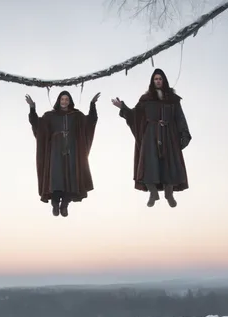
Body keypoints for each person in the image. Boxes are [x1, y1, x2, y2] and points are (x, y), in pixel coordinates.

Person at [111, 68, 191, 207]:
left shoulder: (172, 99)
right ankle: (153, 193)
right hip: (151, 136)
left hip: (169, 135)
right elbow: (135, 115)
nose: (158, 81)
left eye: (160, 79)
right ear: (152, 81)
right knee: (148, 164)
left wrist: (184, 134)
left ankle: (169, 194)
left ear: (164, 81)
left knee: (169, 165)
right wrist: (123, 107)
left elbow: (180, 117)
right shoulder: (146, 99)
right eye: (155, 79)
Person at [26, 90, 99, 217]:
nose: (64, 102)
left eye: (66, 99)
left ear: (69, 101)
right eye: (62, 99)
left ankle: (65, 205)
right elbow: (37, 124)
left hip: (72, 150)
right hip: (55, 150)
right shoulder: (50, 116)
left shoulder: (76, 115)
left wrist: (92, 104)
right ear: (59, 101)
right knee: (56, 176)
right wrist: (32, 108)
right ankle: (55, 203)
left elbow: (90, 122)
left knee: (71, 178)